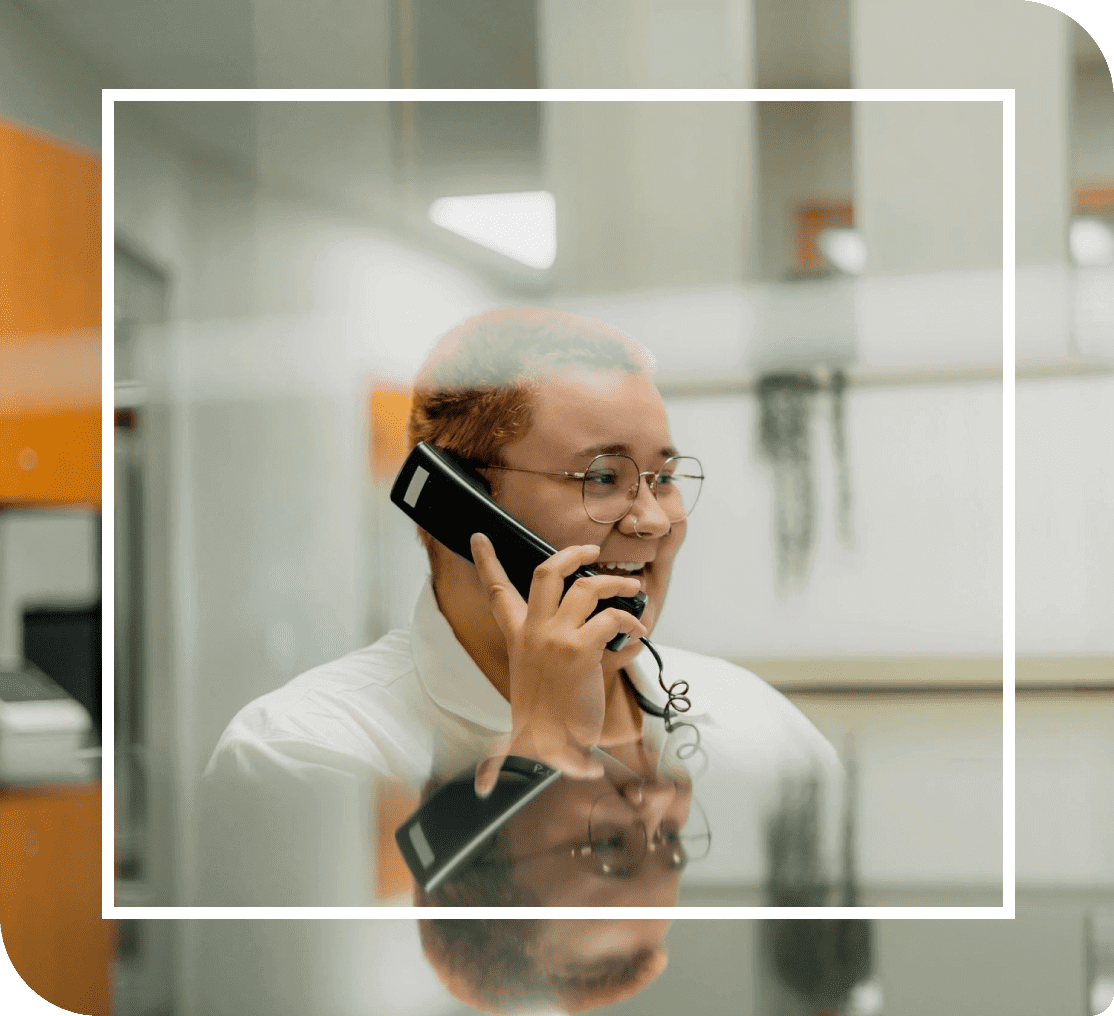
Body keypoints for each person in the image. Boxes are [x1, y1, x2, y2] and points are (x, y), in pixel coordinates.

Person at [195, 306, 841, 906]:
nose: (652, 521)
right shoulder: (303, 747)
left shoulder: (760, 723)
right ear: (457, 507)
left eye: (664, 479)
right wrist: (544, 749)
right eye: (602, 477)